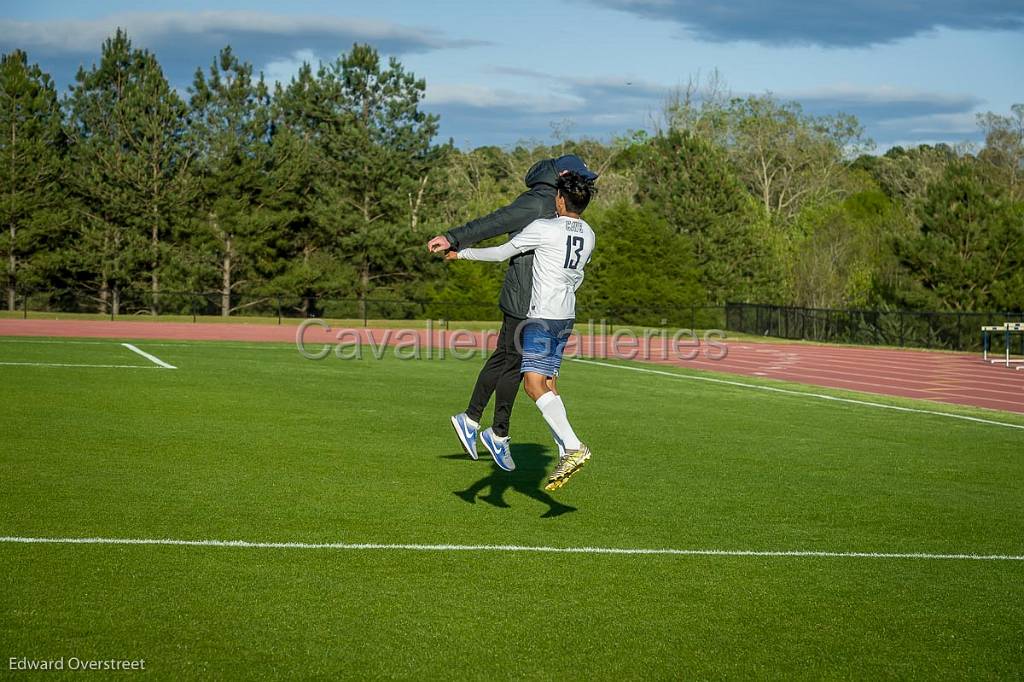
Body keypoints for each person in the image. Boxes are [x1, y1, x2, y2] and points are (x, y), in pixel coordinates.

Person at [427, 155, 598, 469]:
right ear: (562, 181)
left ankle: (482, 424)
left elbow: (505, 250)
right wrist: (454, 239)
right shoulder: (544, 208)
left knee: (514, 365)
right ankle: (498, 432)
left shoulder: (555, 216)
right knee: (519, 368)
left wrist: (461, 252)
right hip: (532, 302)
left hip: (541, 306)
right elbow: (496, 222)